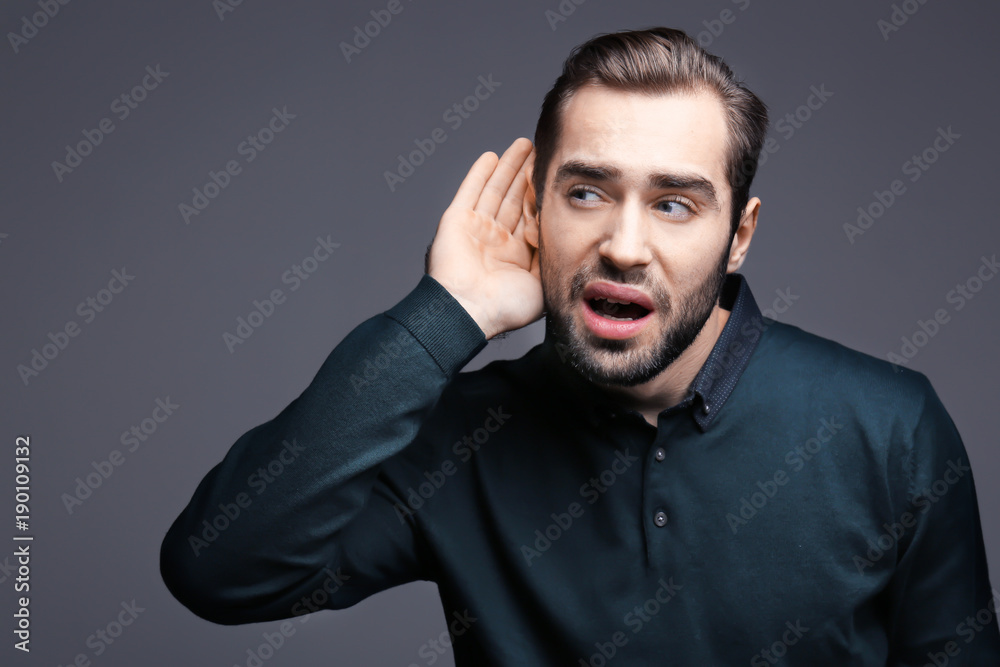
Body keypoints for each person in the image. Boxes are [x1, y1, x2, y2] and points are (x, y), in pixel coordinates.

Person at [160, 27, 1000, 665]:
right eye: (588, 191)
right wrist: (445, 314)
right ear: (537, 209)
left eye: (675, 203)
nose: (625, 244)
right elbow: (220, 569)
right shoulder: (461, 438)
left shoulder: (891, 426)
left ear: (738, 235)